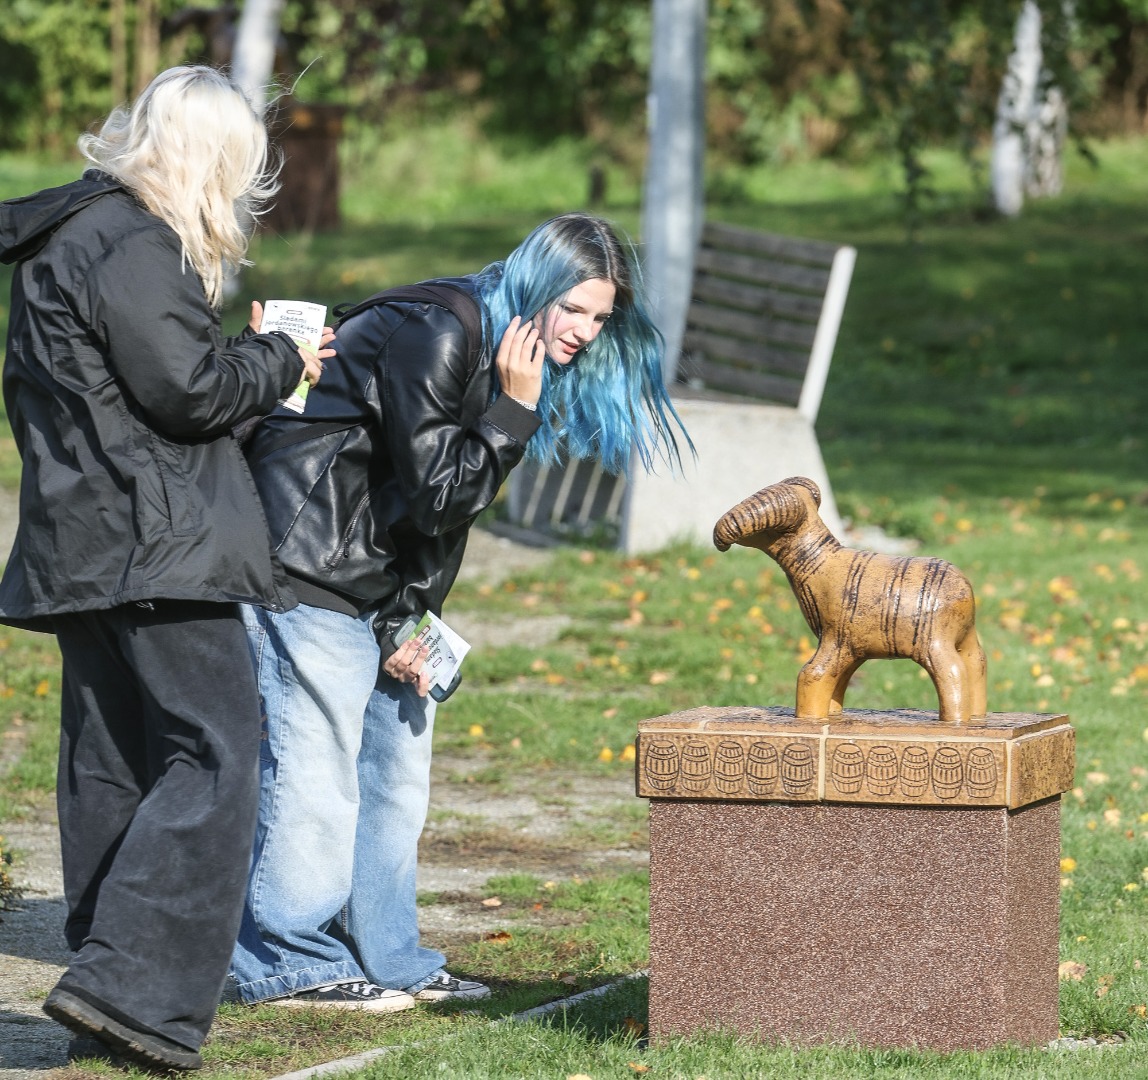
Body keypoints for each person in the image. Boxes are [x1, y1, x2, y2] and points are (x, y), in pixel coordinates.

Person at [229, 213, 688, 1011]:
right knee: (317, 766)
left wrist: (409, 622)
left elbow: (431, 514)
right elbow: (442, 490)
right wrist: (513, 411)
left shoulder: (501, 344)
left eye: (600, 317)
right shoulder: (443, 334)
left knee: (398, 763)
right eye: (573, 308)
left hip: (373, 573)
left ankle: (387, 955)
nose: (583, 331)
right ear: (537, 285)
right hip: (301, 554)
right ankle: (285, 958)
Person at [0, 66, 326, 1070]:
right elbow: (186, 393)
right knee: (217, 755)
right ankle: (126, 986)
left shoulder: (73, 233)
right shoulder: (131, 241)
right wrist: (280, 358)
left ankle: (110, 992)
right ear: (208, 158)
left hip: (90, 540)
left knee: (117, 765)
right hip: (157, 542)